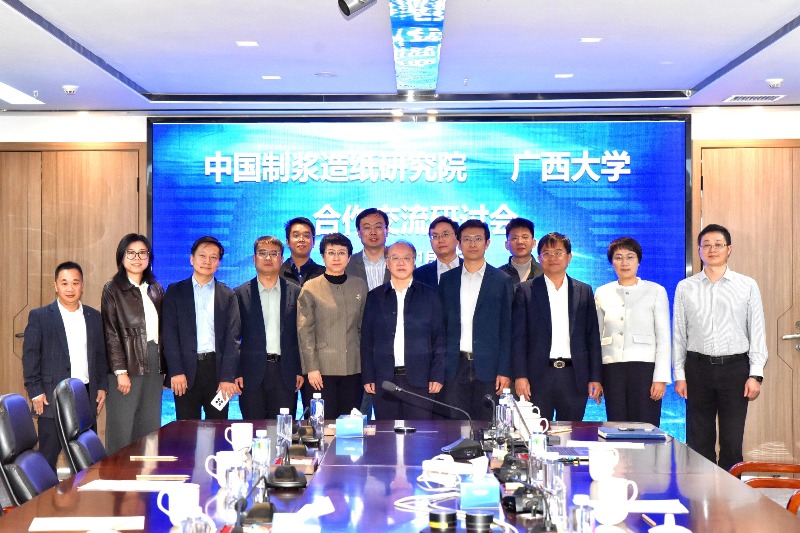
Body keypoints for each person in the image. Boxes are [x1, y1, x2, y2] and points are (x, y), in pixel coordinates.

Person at [672, 224, 767, 471]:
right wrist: (680, 375)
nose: (712, 249)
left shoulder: (747, 285)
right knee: (699, 440)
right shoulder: (685, 287)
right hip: (697, 368)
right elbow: (679, 334)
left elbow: (757, 331)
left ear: (729, 249)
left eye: (718, 244)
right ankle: (701, 490)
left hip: (735, 369)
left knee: (732, 440)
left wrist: (755, 374)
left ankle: (731, 490)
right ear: (699, 250)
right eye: (706, 245)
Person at [23, 262, 108, 471]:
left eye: (75, 283)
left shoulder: (94, 317)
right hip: (51, 396)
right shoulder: (40, 316)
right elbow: (31, 356)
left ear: (82, 286)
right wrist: (35, 391)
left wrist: (102, 386)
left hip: (85, 395)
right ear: (55, 286)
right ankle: (46, 493)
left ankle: (82, 492)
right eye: (64, 283)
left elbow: (100, 356)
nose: (70, 288)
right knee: (48, 457)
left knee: (85, 458)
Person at [512, 232, 603, 421]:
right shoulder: (526, 290)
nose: (552, 258)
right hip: (538, 376)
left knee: (571, 432)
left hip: (574, 376)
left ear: (569, 257)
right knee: (536, 431)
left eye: (558, 253)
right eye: (546, 253)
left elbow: (592, 337)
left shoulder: (583, 290)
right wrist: (520, 376)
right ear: (539, 258)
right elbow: (518, 338)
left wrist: (595, 377)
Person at [361, 241, 446, 420]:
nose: (401, 263)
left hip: (421, 380)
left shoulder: (430, 295)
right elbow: (367, 341)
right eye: (395, 258)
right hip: (384, 381)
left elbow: (439, 339)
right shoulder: (375, 297)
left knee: (419, 433)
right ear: (387, 263)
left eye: (407, 258)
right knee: (387, 433)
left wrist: (437, 375)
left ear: (414, 262)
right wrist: (368, 376)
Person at [439, 220, 513, 421]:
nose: (472, 244)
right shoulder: (447, 280)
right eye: (467, 239)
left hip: (489, 368)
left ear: (487, 243)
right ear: (458, 243)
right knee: (454, 426)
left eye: (478, 239)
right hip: (454, 366)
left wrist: (504, 371)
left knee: (487, 425)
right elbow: (440, 327)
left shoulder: (502, 280)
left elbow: (507, 329)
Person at [162, 236, 241, 420]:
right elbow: (169, 335)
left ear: (219, 263)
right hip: (185, 372)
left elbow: (233, 339)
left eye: (213, 257)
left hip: (217, 371)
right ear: (192, 259)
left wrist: (227, 377)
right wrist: (176, 371)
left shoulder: (228, 295)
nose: (207, 261)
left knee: (218, 426)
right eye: (202, 256)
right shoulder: (175, 292)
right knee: (186, 427)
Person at [594, 237, 670, 427]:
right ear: (612, 262)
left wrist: (660, 378)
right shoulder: (602, 292)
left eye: (630, 257)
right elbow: (595, 338)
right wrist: (597, 378)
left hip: (644, 370)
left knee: (646, 427)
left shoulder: (656, 291)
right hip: (612, 370)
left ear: (638, 261)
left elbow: (664, 338)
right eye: (618, 257)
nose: (624, 262)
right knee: (617, 427)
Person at [101, 234, 165, 454]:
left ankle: (146, 472)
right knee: (122, 426)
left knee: (149, 425)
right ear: (122, 256)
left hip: (154, 361)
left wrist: (165, 367)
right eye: (131, 253)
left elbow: (163, 331)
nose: (137, 258)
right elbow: (111, 332)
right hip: (128, 361)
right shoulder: (112, 289)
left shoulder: (156, 289)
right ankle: (117, 473)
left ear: (149, 257)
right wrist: (120, 371)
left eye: (142, 253)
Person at [298, 233, 368, 417]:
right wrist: (311, 368)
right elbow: (305, 332)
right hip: (321, 370)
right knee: (322, 424)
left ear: (349, 257)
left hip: (353, 368)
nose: (336, 257)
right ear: (323, 256)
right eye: (331, 252)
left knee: (349, 424)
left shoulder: (359, 286)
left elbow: (363, 328)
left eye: (341, 252)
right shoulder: (311, 287)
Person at [235, 236, 304, 419]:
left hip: (285, 372)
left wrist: (299, 369)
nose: (268, 258)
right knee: (253, 427)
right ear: (254, 258)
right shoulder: (239, 294)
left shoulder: (296, 292)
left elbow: (300, 336)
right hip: (250, 373)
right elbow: (233, 338)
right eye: (262, 253)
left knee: (282, 429)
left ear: (282, 259)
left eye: (274, 254)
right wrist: (237, 371)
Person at [346, 208, 391, 416]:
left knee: (390, 420)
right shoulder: (347, 264)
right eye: (367, 227)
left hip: (392, 352)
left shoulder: (400, 260)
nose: (373, 232)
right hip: (356, 350)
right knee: (357, 416)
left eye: (378, 227)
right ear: (358, 232)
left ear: (387, 230)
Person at [414, 216, 462, 288]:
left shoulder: (473, 268)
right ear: (430, 242)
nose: (440, 240)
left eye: (445, 235)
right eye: (435, 236)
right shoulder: (418, 275)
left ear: (457, 238)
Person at [280, 217, 325, 287]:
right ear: (287, 242)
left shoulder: (324, 274)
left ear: (313, 242)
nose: (301, 239)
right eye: (296, 236)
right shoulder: (277, 273)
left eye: (306, 236)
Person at [498, 217, 543, 286]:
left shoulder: (544, 272)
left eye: (525, 237)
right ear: (506, 245)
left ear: (534, 242)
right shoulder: (498, 275)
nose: (520, 242)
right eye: (514, 238)